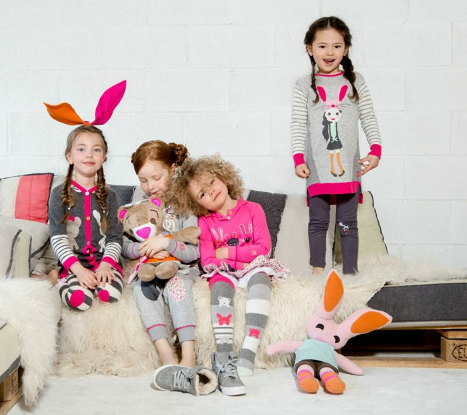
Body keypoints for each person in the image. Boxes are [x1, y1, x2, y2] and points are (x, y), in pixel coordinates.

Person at [167, 155, 289, 396]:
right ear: (197, 204)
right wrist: (236, 260)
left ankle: (249, 349)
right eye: (202, 193)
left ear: (223, 177)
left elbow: (263, 249)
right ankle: (224, 356)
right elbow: (208, 261)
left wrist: (227, 252)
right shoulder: (204, 222)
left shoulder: (253, 209)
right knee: (219, 287)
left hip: (254, 267)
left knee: (261, 278)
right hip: (224, 272)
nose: (211, 192)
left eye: (212, 182)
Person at [291, 16, 383, 276]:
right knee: (318, 222)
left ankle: (350, 276)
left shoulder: (355, 82)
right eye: (322, 46)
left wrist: (375, 150)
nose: (329, 52)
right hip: (317, 168)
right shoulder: (304, 85)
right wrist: (298, 158)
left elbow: (368, 116)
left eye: (336, 46)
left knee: (347, 224)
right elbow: (298, 123)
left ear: (346, 49)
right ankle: (318, 276)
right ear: (310, 49)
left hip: (349, 167)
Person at [125, 140, 216, 396]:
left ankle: (188, 355)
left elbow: (195, 252)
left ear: (173, 169)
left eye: (156, 178)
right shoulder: (138, 205)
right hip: (149, 268)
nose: (150, 186)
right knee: (142, 289)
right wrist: (143, 249)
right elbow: (125, 246)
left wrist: (167, 243)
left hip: (181, 271)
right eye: (143, 180)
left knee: (176, 288)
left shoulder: (184, 206)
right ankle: (166, 355)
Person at [44, 81, 127, 311]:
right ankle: (59, 279)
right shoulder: (58, 194)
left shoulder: (110, 195)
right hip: (73, 266)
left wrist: (106, 265)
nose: (89, 155)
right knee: (79, 301)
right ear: (69, 156)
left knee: (108, 295)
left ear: (104, 157)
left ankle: (102, 277)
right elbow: (58, 237)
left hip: (104, 264)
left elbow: (115, 236)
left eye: (96, 149)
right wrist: (78, 270)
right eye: (81, 149)